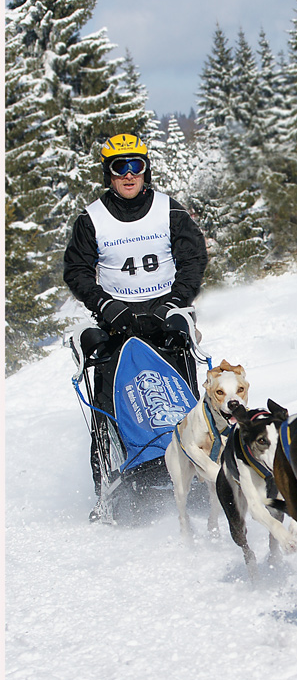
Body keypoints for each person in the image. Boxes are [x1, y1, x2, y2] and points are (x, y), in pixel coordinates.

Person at [64, 133, 209, 515]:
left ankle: (197, 467)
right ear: (108, 173)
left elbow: (193, 259)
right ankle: (108, 487)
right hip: (116, 317)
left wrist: (176, 302)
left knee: (184, 390)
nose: (129, 175)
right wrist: (105, 306)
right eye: (119, 167)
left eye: (136, 166)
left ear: (146, 169)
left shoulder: (169, 210)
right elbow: (76, 271)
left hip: (164, 312)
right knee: (108, 399)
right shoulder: (90, 218)